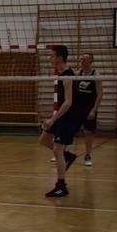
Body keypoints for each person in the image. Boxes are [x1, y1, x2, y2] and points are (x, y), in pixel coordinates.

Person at [40, 45, 78, 197]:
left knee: (57, 150)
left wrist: (53, 119)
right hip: (59, 116)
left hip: (68, 117)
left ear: (60, 58)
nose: (49, 58)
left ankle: (61, 186)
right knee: (43, 140)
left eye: (52, 56)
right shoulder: (59, 73)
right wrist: (52, 117)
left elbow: (68, 102)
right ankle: (68, 156)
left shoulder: (68, 76)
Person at [73, 53, 102, 166]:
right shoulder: (77, 74)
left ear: (90, 61)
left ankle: (88, 155)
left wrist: (94, 110)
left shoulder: (96, 74)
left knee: (88, 132)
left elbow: (100, 94)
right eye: (81, 59)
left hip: (89, 107)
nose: (82, 61)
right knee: (70, 129)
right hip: (77, 107)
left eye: (84, 59)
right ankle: (62, 153)